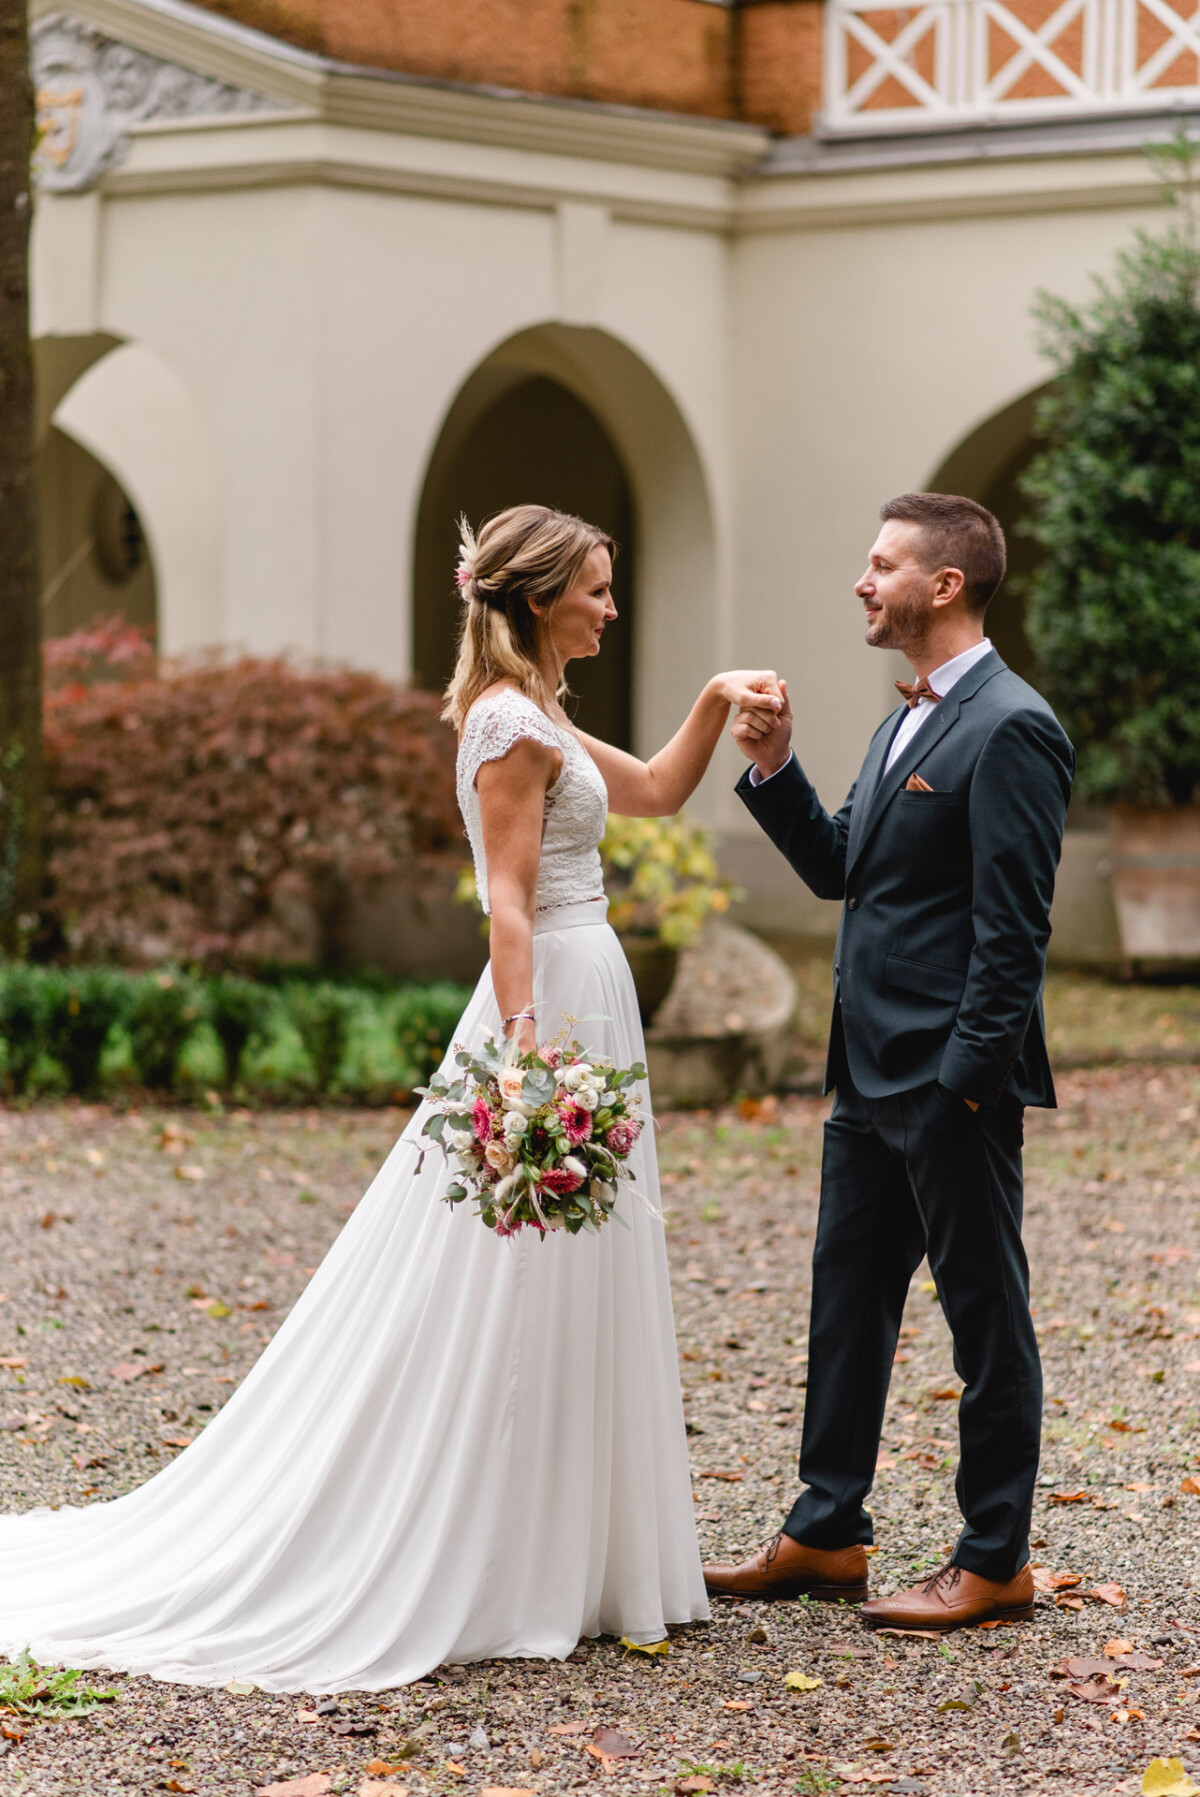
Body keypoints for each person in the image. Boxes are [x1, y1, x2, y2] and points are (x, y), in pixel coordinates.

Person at [0, 502, 782, 1691]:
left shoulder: (545, 714)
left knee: (579, 1265)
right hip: (552, 1000)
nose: (612, 608)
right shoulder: (510, 725)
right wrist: (524, 1059)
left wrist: (719, 699)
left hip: (590, 989)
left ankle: (572, 1554)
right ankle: (493, 1553)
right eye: (599, 591)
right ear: (537, 597)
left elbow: (666, 793)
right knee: (504, 1271)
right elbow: (508, 903)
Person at [705, 493, 1074, 1632]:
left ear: (944, 585)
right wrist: (774, 766)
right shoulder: (902, 720)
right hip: (866, 1075)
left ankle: (995, 1557)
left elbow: (1014, 934)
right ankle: (826, 1531)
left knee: (984, 1315)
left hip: (947, 1083)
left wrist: (964, 1077)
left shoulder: (1012, 726)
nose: (864, 583)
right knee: (845, 1305)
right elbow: (841, 869)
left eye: (882, 565)